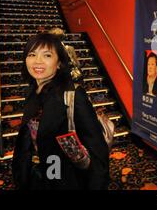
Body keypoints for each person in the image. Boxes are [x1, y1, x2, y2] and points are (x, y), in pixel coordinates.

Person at [12, 33, 110, 190]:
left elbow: (98, 151)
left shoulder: (72, 95)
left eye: (47, 55)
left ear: (59, 63)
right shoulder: (32, 91)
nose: (38, 61)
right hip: (35, 172)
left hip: (62, 173)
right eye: (32, 54)